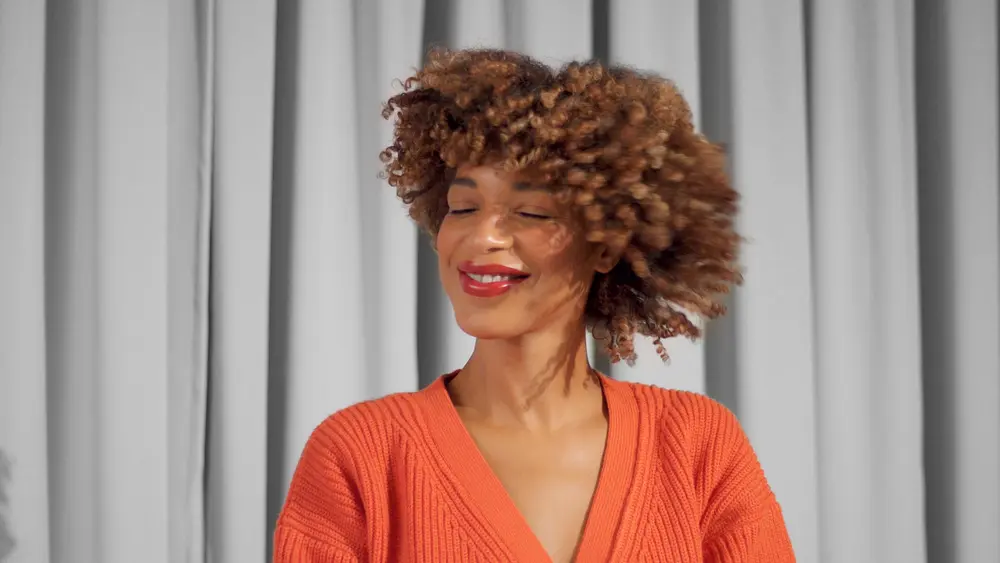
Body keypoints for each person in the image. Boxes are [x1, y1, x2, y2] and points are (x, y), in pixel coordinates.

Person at [273, 48, 794, 562]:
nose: (482, 238)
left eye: (530, 212)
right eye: (463, 207)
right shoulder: (359, 455)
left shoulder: (697, 445)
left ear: (607, 244)